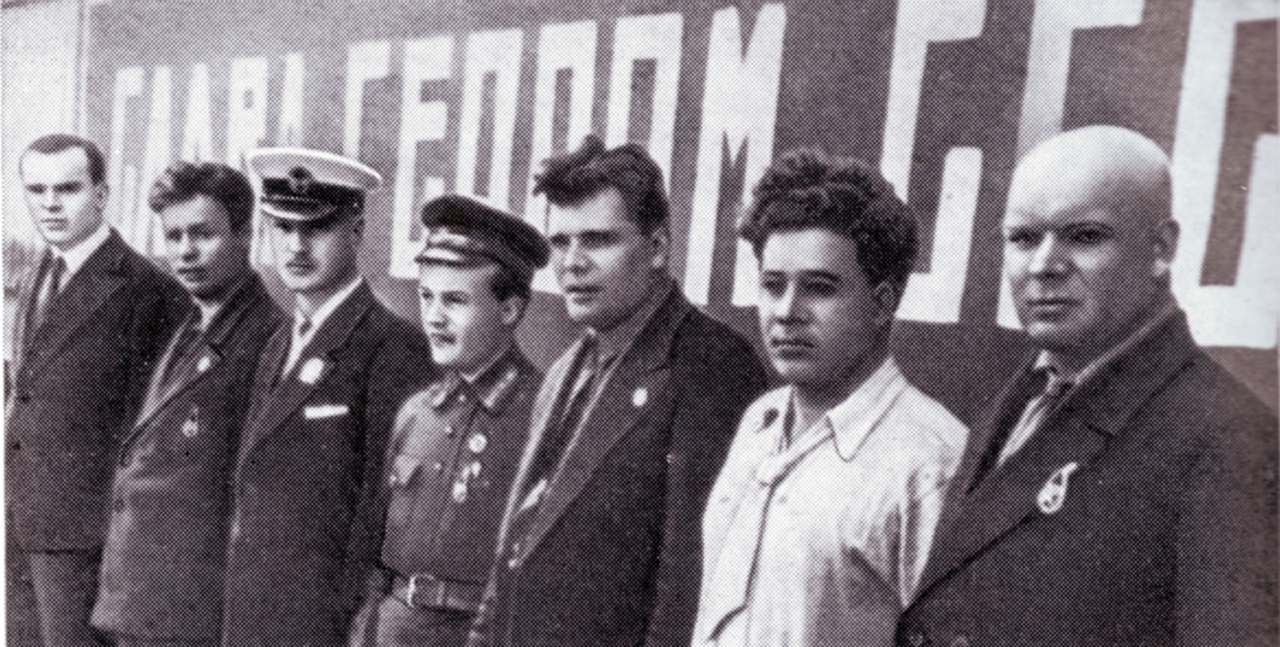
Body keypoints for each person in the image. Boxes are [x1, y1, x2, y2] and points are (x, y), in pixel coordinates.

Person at [897, 125, 1279, 647]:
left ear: (1161, 248)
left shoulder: (1229, 437)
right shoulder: (1028, 392)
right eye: (1023, 238)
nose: (1043, 266)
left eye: (1084, 237)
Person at [468, 135, 768, 647]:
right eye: (560, 243)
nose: (572, 263)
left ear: (657, 248)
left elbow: (687, 589)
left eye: (598, 241)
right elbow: (514, 551)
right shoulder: (565, 368)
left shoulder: (711, 366)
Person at [691, 148, 968, 647]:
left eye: (819, 288)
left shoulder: (931, 463)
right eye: (773, 286)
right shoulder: (761, 419)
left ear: (882, 303)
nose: (786, 312)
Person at [222, 148, 433, 645]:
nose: (296, 246)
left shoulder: (392, 346)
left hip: (323, 620)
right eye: (283, 227)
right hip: (253, 609)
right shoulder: (280, 341)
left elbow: (382, 510)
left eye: (316, 228)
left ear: (356, 232)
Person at [88, 161, 282, 646]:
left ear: (246, 235)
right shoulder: (191, 326)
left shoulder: (269, 340)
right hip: (142, 601)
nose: (185, 252)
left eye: (203, 234)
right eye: (173, 236)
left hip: (193, 612)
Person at [6, 133, 187, 645]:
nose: (50, 204)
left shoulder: (148, 290)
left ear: (102, 195)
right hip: (24, 520)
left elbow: (160, 430)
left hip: (92, 539)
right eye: (37, 190)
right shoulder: (40, 272)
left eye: (67, 189)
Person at [349, 194, 551, 646]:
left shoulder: (544, 417)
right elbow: (376, 554)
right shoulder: (417, 412)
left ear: (510, 309)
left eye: (455, 301)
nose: (434, 318)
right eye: (427, 297)